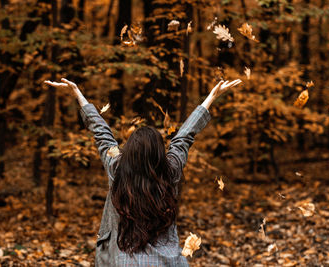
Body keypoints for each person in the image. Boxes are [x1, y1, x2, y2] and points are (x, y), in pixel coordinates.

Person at [45, 78, 242, 266]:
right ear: (159, 153)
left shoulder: (117, 169)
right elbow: (184, 137)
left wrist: (77, 93)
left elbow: (101, 132)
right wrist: (210, 98)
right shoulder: (170, 171)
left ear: (129, 151)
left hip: (123, 261)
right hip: (166, 262)